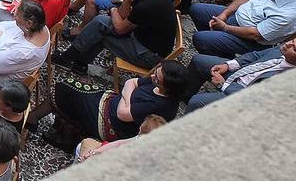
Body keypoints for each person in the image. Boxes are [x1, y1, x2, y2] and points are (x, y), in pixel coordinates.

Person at [53, 61, 195, 147]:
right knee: (69, 87)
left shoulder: (159, 105)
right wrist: (127, 99)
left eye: (157, 78)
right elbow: (130, 82)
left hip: (111, 125)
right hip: (112, 103)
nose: (152, 77)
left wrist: (125, 97)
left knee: (67, 91)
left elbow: (122, 115)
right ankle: (60, 125)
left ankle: (67, 132)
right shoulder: (157, 84)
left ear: (168, 86)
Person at [186, 33, 296, 112]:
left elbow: (254, 101)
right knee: (199, 61)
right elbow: (254, 56)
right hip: (238, 74)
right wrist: (228, 65)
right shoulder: (282, 49)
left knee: (197, 102)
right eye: (292, 41)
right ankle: (179, 96)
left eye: (294, 48)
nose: (288, 44)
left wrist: (222, 85)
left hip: (239, 95)